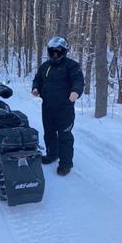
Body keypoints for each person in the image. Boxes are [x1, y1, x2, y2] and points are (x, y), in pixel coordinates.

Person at [32, 36, 84, 176]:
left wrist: (76, 91)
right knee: (49, 133)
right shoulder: (45, 66)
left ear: (64, 51)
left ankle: (65, 164)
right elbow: (38, 79)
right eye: (53, 51)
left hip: (65, 108)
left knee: (64, 135)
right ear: (49, 51)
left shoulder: (71, 65)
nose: (55, 54)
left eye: (58, 51)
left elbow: (78, 80)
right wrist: (36, 88)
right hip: (48, 107)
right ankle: (51, 154)